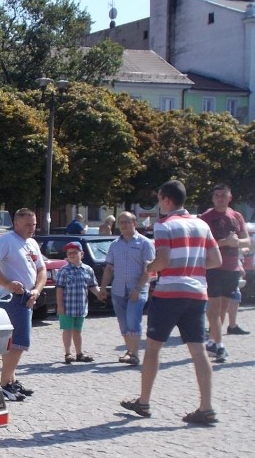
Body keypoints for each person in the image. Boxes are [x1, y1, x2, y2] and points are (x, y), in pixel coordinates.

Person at [120, 180, 221, 425]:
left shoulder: (165, 225)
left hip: (169, 294)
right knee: (198, 350)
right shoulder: (202, 224)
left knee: (153, 347)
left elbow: (162, 260)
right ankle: (206, 407)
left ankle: (144, 401)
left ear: (166, 199)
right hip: (197, 293)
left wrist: (151, 267)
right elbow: (216, 259)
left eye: (159, 199)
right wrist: (192, 266)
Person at [0, 208, 46, 401]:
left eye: (34, 224)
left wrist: (37, 290)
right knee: (18, 343)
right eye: (28, 224)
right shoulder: (7, 241)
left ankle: (11, 380)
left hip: (28, 296)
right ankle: (4, 385)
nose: (31, 228)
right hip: (13, 299)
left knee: (13, 344)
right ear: (16, 224)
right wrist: (7, 283)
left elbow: (41, 270)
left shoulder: (32, 243)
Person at [199, 183, 249, 362]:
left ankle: (213, 340)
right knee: (213, 306)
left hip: (232, 268)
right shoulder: (205, 218)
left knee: (223, 308)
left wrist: (236, 242)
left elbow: (247, 242)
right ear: (213, 198)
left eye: (223, 195)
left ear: (230, 197)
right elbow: (202, 245)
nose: (220, 198)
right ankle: (219, 345)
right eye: (217, 195)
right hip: (213, 268)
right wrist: (224, 242)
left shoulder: (236, 216)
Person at [98, 211, 155, 366]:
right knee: (123, 323)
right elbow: (109, 268)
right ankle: (130, 352)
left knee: (133, 320)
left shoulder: (145, 243)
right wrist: (103, 287)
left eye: (126, 222)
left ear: (134, 223)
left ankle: (134, 354)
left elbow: (148, 269)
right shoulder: (115, 245)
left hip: (137, 289)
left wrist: (138, 288)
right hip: (118, 290)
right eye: (121, 222)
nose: (123, 225)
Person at [55, 241, 104, 363]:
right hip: (67, 306)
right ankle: (68, 353)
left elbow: (92, 285)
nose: (71, 255)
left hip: (81, 306)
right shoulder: (63, 271)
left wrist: (99, 293)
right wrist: (60, 306)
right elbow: (59, 289)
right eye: (69, 253)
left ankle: (79, 353)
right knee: (67, 330)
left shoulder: (87, 270)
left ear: (81, 254)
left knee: (78, 331)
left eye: (74, 252)